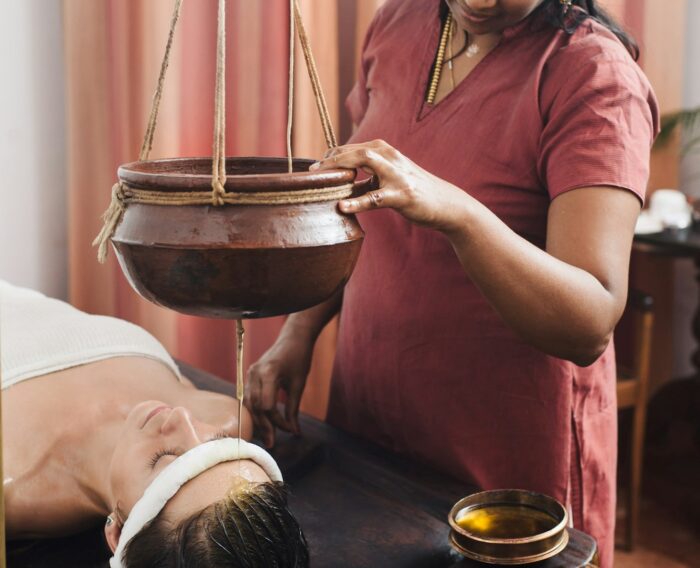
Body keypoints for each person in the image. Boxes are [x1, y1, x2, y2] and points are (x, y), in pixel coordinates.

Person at [247, 1, 659, 566]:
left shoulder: (592, 75)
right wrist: (298, 333)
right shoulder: (399, 22)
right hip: (372, 418)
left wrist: (458, 213)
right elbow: (357, 199)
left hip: (507, 454)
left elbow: (589, 323)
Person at [0, 280, 309, 567]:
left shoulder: (12, 485)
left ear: (118, 533)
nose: (182, 417)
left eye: (164, 460)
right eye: (218, 443)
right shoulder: (225, 416)